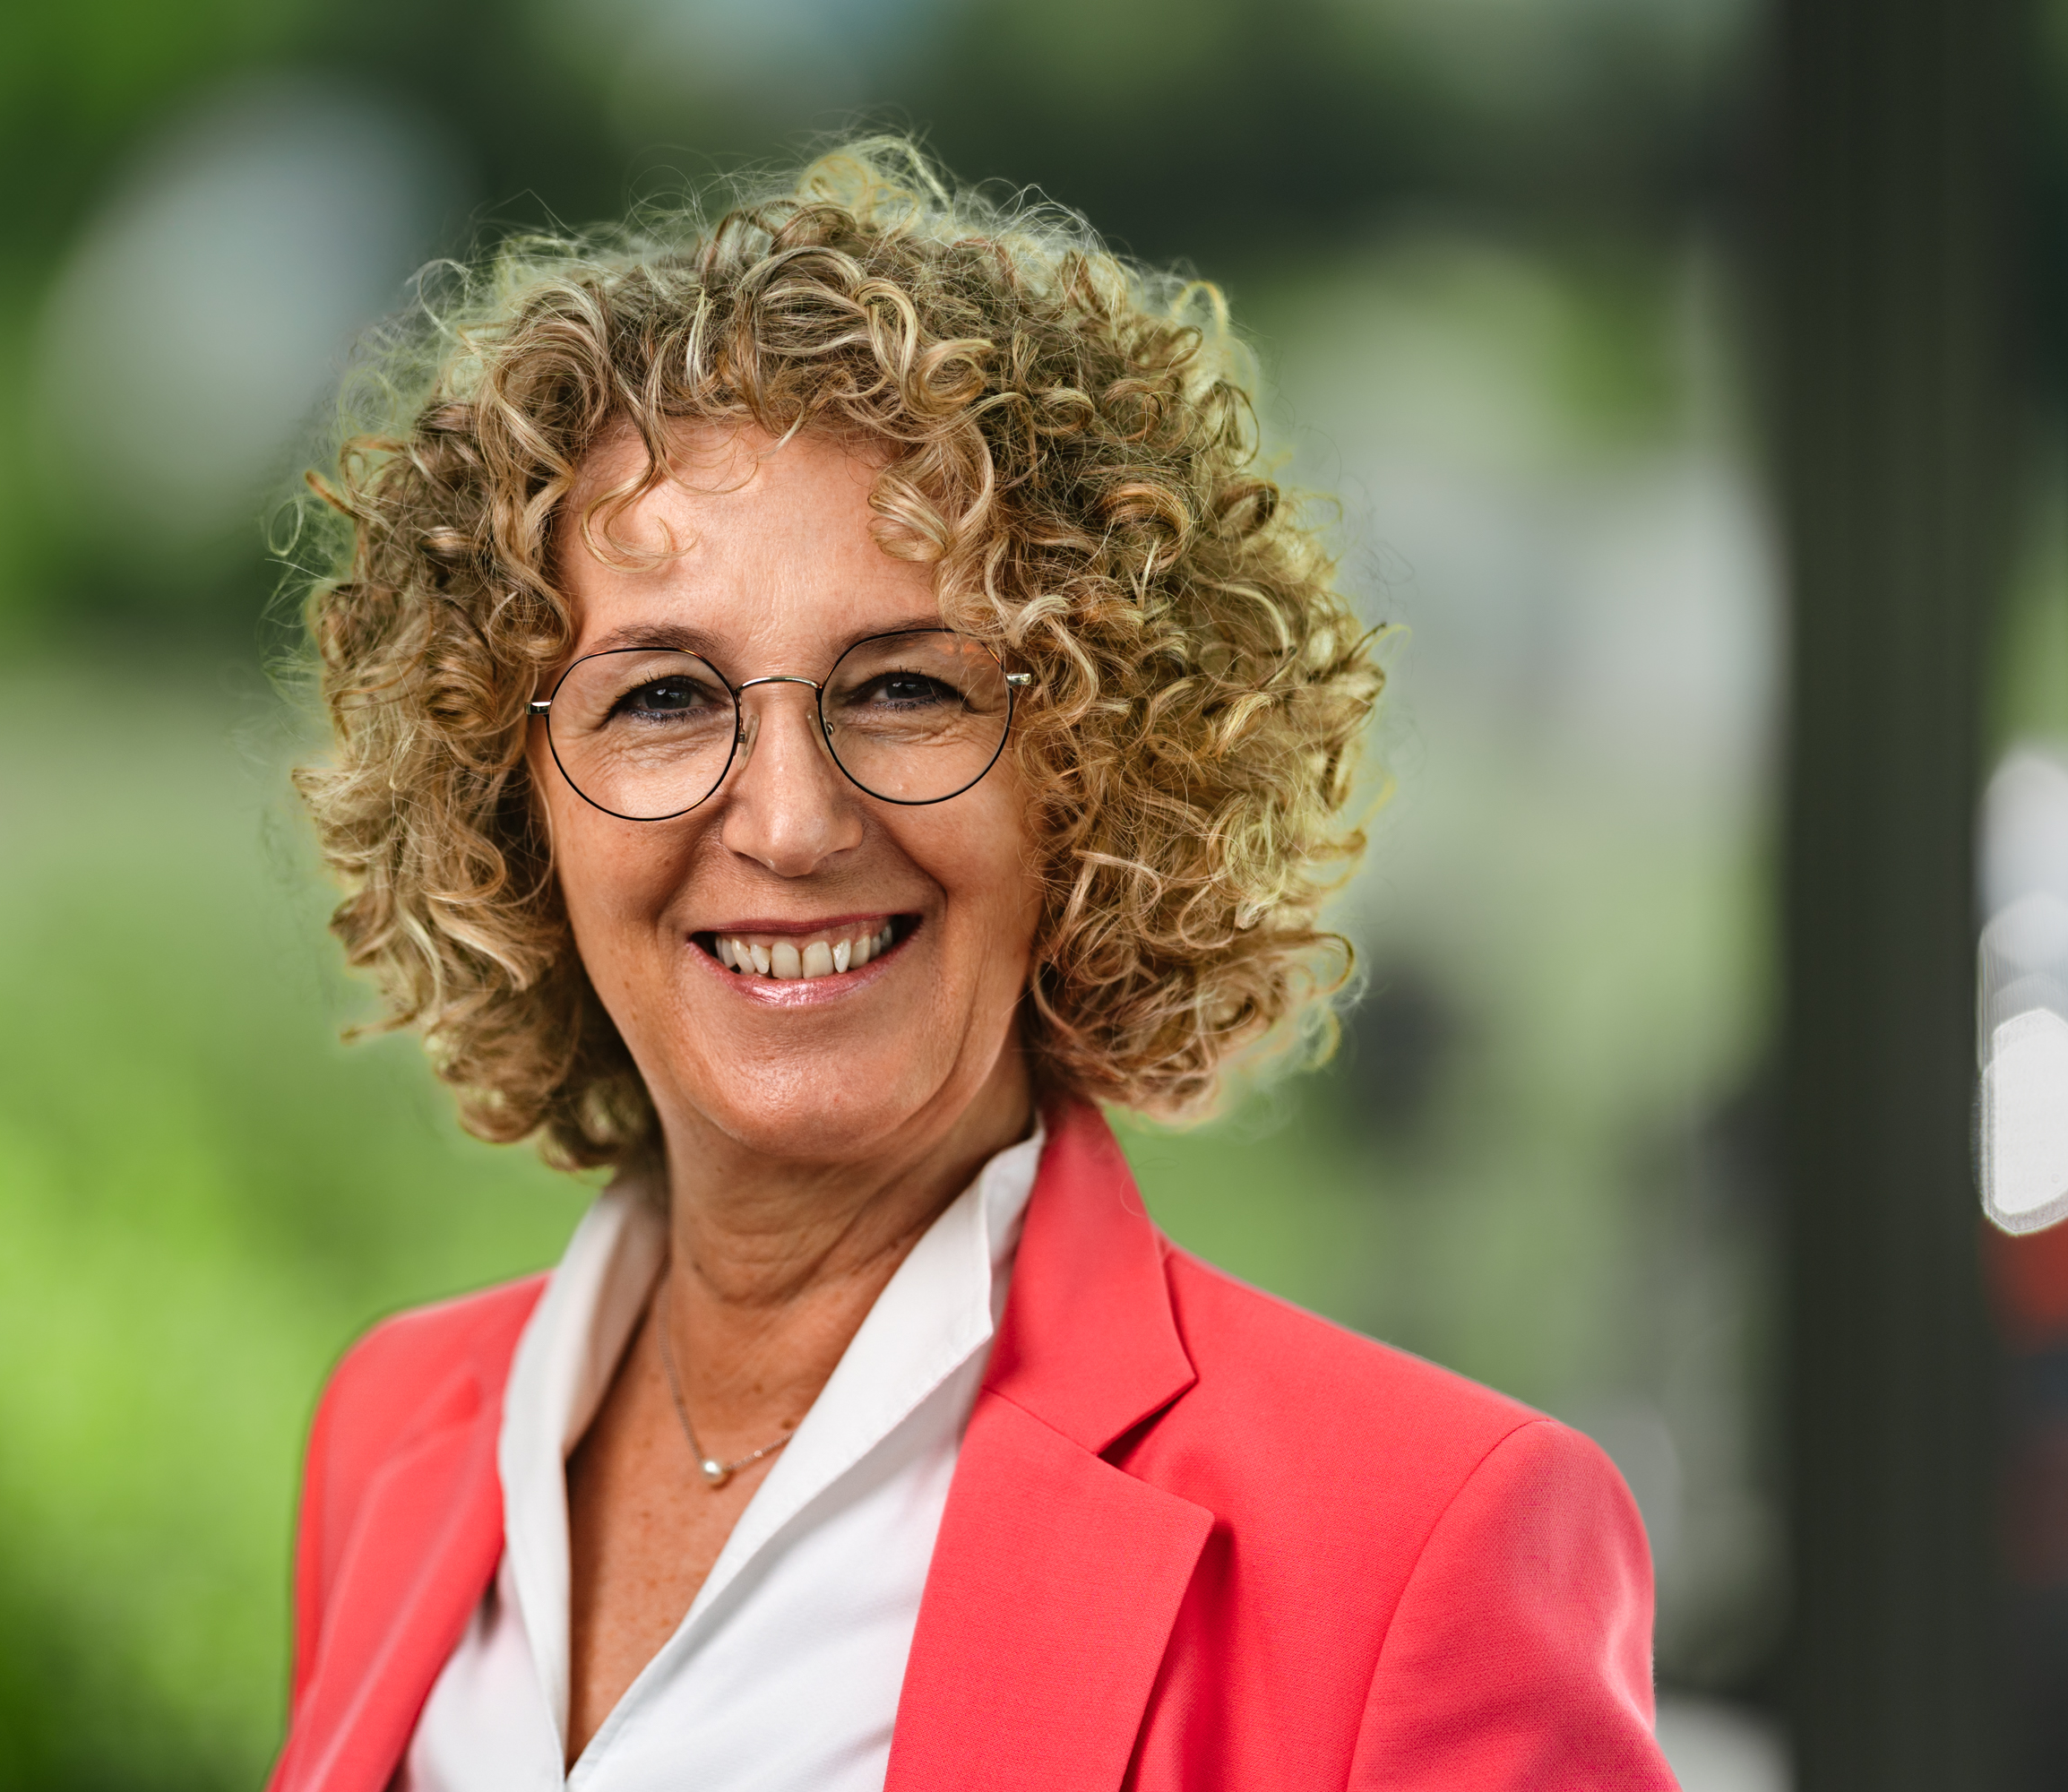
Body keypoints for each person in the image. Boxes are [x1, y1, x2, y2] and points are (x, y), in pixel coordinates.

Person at [269, 142, 1676, 1791]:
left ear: (1099, 769)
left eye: (906, 689)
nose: (791, 823)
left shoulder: (1421, 1549)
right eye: (661, 699)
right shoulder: (397, 1433)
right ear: (512, 804)